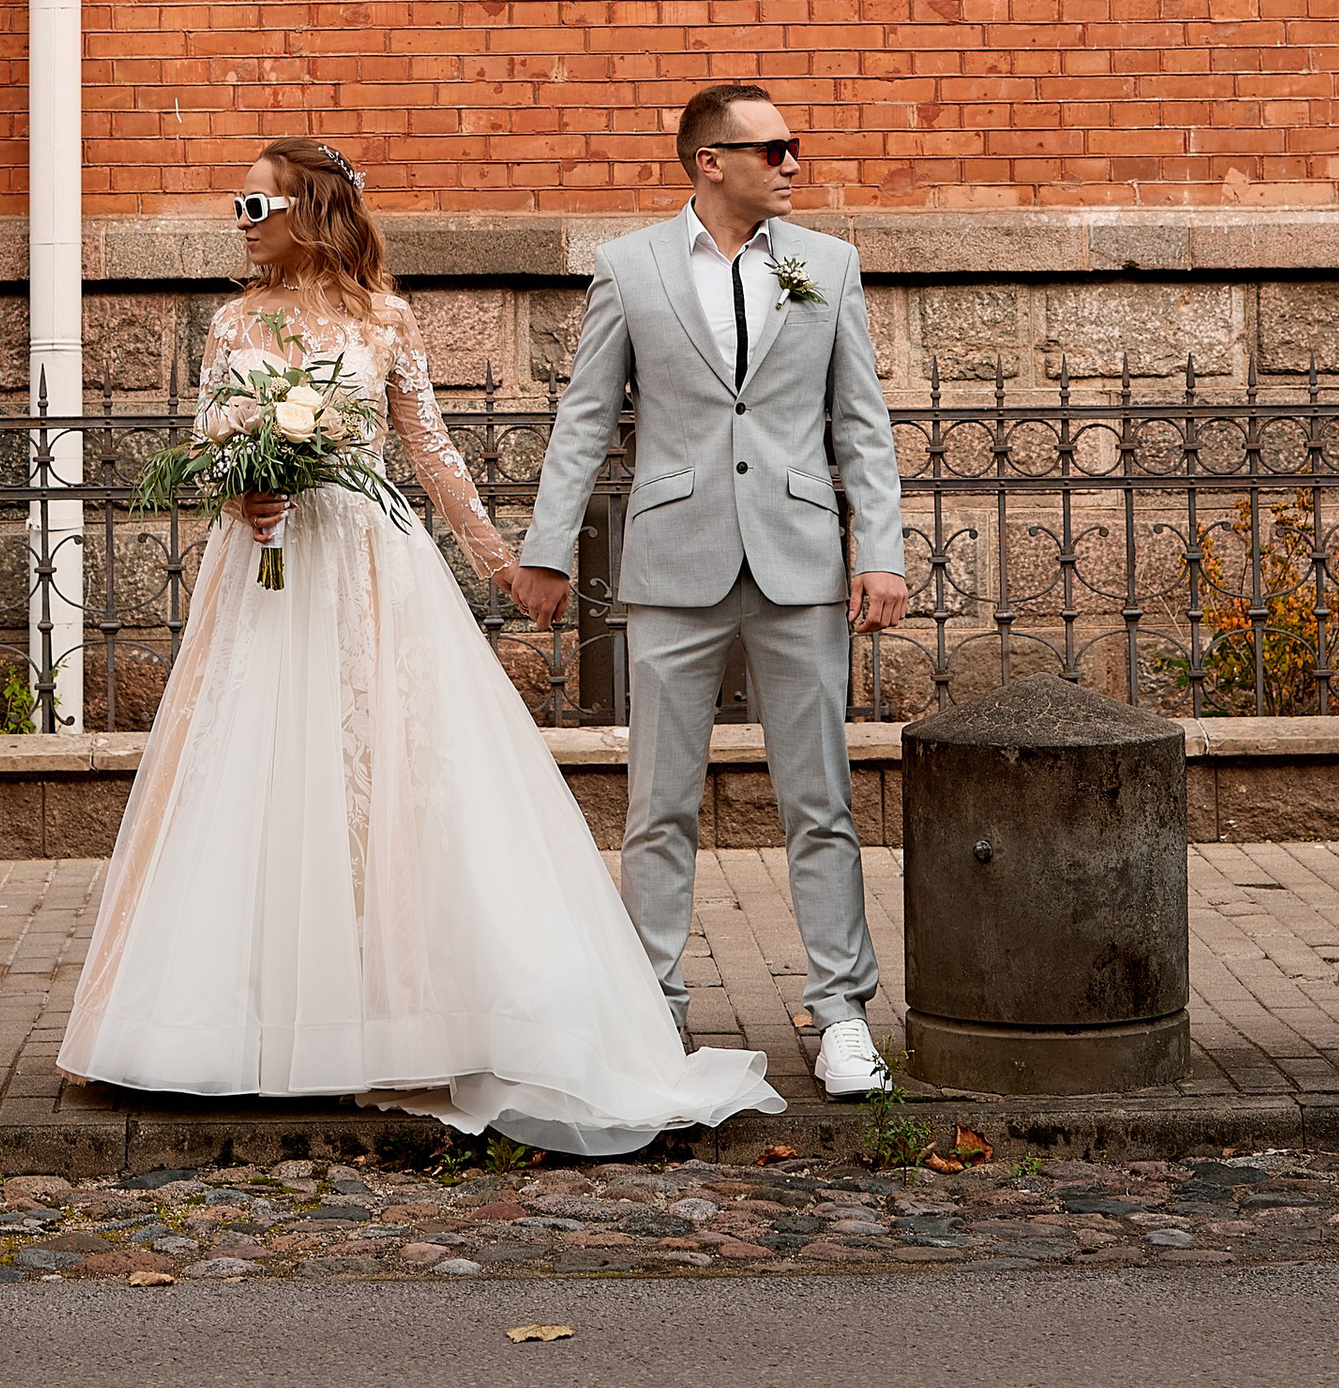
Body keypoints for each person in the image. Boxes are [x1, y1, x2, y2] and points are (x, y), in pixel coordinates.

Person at [59, 136, 780, 1155]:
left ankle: (399, 1015)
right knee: (253, 773)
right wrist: (242, 480)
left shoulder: (384, 319)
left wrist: (503, 561)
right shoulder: (230, 324)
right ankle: (229, 1025)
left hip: (363, 559)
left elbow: (429, 449)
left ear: (310, 210)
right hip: (264, 564)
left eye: (254, 203)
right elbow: (212, 436)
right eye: (237, 203)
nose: (239, 220)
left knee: (388, 776)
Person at [509, 82, 908, 1101]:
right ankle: (652, 1006)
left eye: (793, 145)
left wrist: (883, 551)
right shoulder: (630, 267)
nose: (790, 162)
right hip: (675, 562)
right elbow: (584, 418)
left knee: (818, 798)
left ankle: (841, 1010)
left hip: (800, 560)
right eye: (771, 147)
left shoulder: (820, 265)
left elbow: (857, 421)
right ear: (709, 160)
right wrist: (548, 549)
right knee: (658, 803)